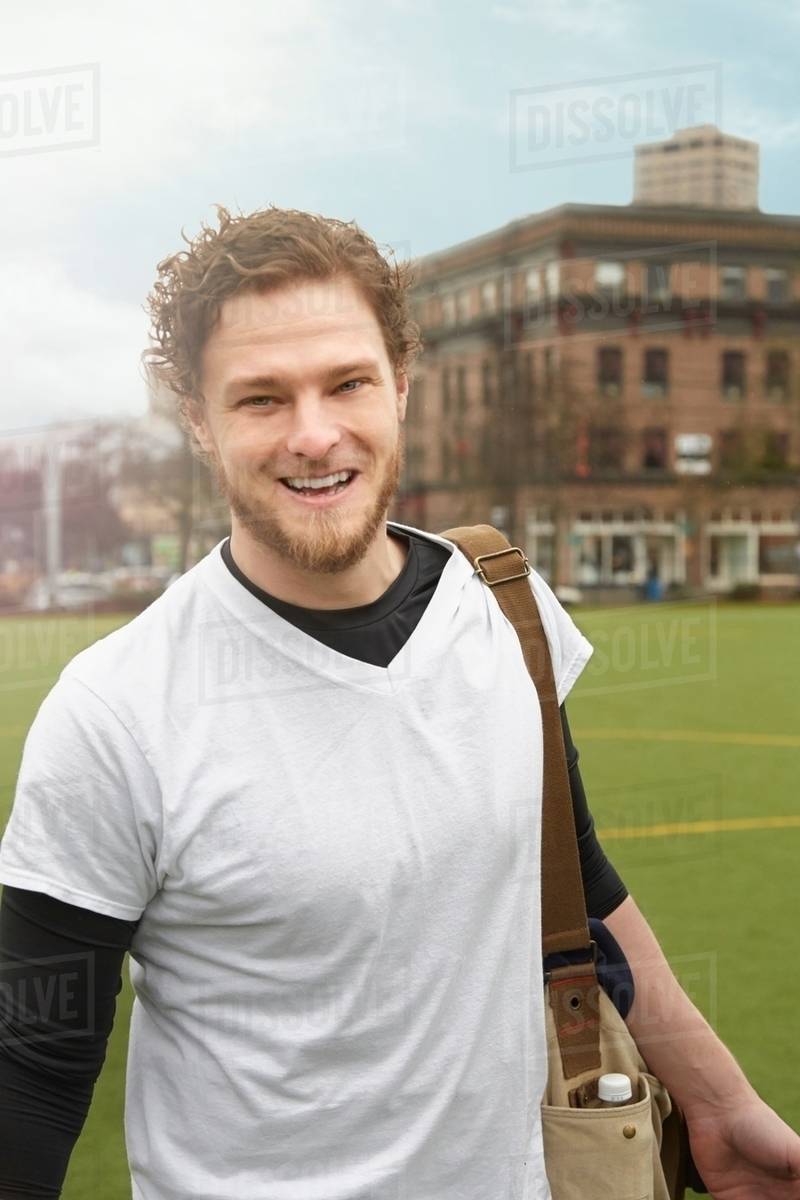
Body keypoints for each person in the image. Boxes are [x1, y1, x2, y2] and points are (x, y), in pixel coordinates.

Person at [0, 206, 798, 1199]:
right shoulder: (115, 713)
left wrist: (718, 1105)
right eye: (260, 398)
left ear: (400, 385)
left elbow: (574, 882)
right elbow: (32, 1070)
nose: (314, 433)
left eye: (347, 382)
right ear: (198, 421)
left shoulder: (508, 610)